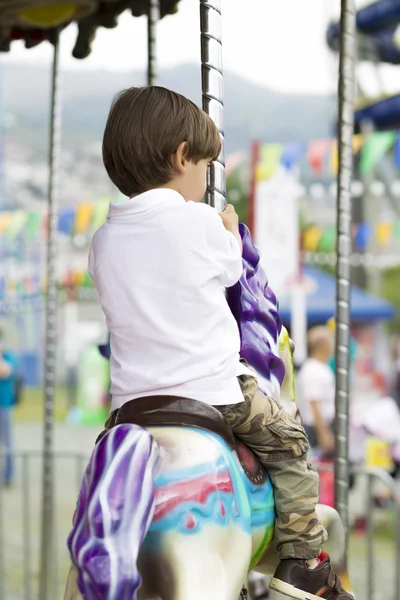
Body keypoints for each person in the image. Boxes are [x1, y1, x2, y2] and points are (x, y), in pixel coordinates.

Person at [89, 86, 352, 599]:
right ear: (182, 156)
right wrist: (229, 229)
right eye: (206, 167)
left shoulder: (103, 237)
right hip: (212, 393)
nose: (205, 179)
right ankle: (303, 560)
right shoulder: (200, 221)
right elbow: (235, 271)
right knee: (291, 443)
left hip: (129, 410)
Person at [297, 326, 335, 458]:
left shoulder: (320, 367)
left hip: (323, 425)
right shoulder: (312, 370)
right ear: (322, 345)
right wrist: (323, 434)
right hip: (318, 427)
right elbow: (314, 403)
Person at [0, 330, 18, 487]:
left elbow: (4, 372)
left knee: (7, 443)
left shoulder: (8, 358)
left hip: (4, 406)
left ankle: (8, 475)